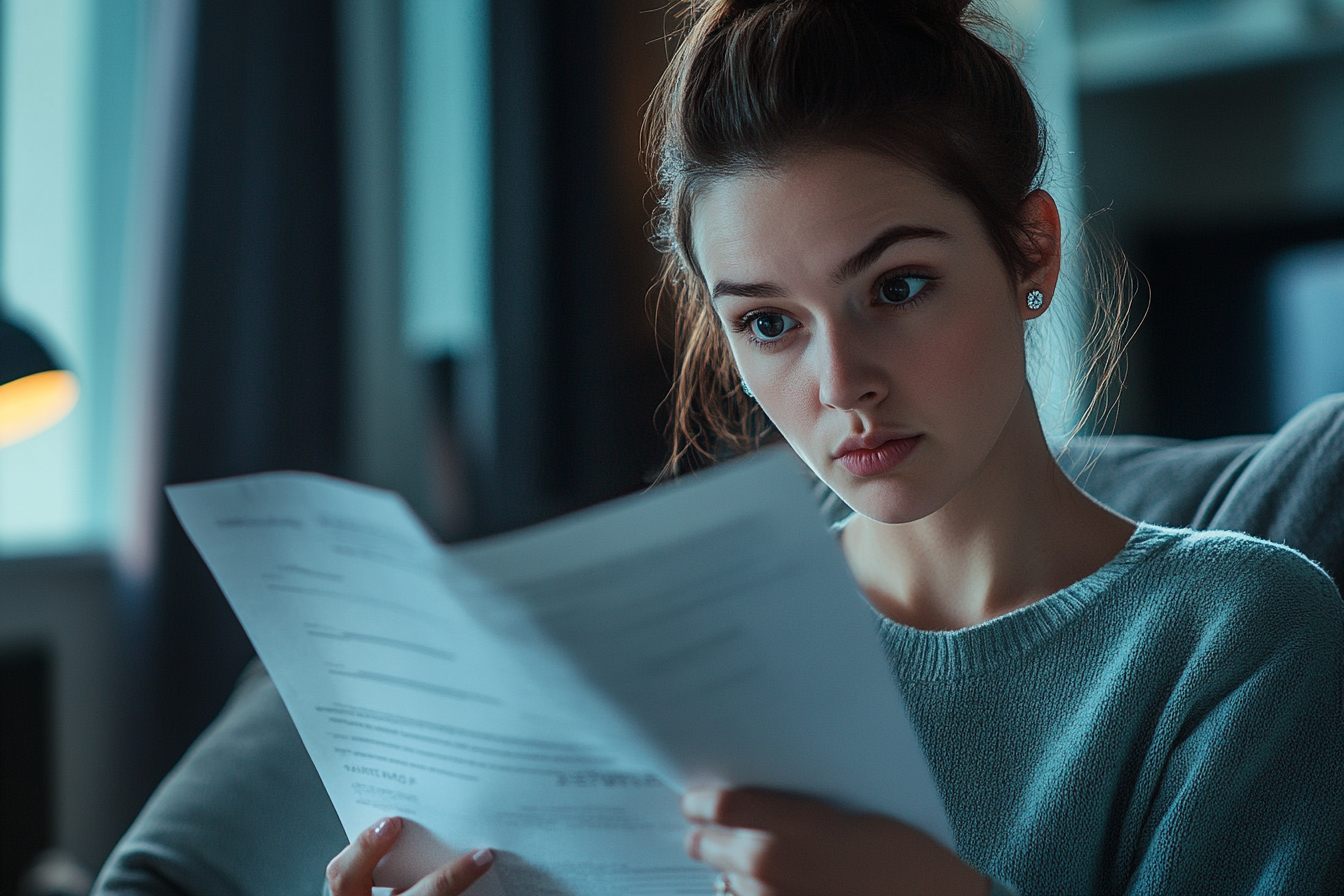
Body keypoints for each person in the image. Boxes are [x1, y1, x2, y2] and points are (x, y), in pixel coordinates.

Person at [327, 1, 1344, 894]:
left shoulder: (1240, 633)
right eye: (770, 323)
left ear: (1032, 250)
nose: (840, 381)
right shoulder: (679, 645)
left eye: (896, 286)